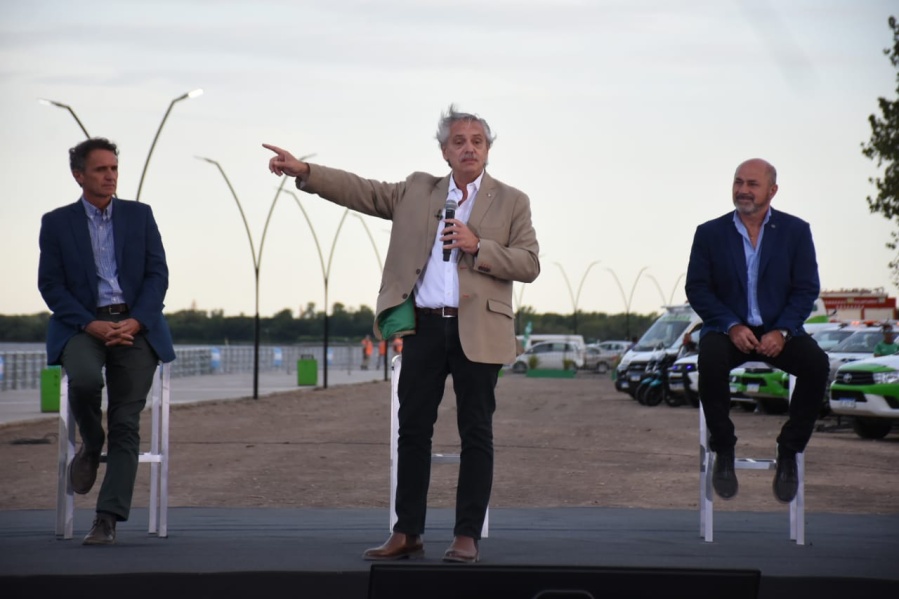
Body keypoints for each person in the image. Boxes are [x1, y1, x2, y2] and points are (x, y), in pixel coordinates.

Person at [264, 104, 540, 563]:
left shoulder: (513, 200)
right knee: (412, 431)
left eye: (477, 141)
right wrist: (306, 171)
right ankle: (407, 532)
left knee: (476, 432)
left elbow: (529, 264)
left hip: (481, 330)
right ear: (444, 151)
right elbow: (361, 190)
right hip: (425, 327)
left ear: (488, 150)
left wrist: (480, 246)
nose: (468, 148)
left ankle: (466, 535)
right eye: (459, 141)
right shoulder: (417, 190)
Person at [38, 137, 175, 545]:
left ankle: (107, 518)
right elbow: (51, 285)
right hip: (83, 327)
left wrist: (134, 321)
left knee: (126, 421)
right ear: (79, 175)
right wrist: (88, 323)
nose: (110, 176)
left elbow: (157, 276)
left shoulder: (140, 216)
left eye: (114, 168)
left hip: (136, 327)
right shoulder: (57, 222)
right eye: (101, 169)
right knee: (82, 380)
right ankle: (90, 440)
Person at [685, 158, 829, 504]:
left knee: (817, 365)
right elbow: (698, 288)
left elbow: (806, 289)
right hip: (727, 330)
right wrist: (731, 324)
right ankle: (724, 450)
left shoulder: (796, 231)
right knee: (710, 360)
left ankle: (789, 452)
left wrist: (782, 330)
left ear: (772, 191)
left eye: (752, 184)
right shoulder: (710, 233)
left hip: (778, 332)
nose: (743, 190)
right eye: (738, 182)